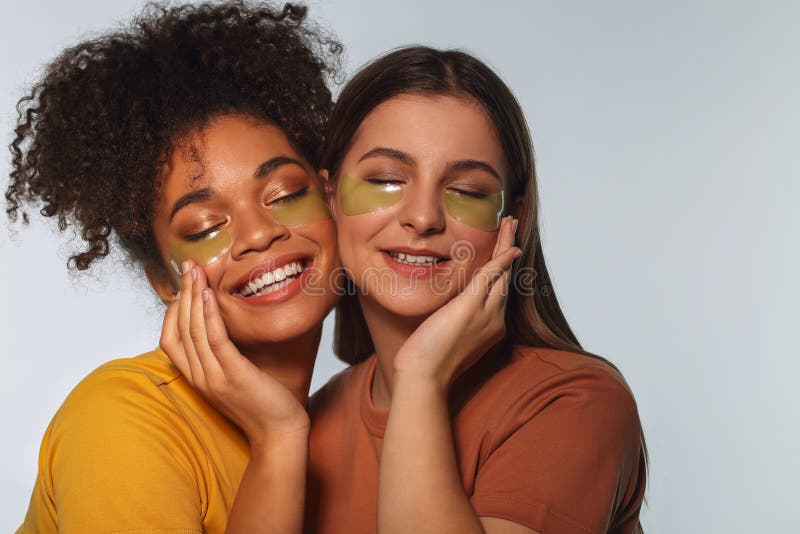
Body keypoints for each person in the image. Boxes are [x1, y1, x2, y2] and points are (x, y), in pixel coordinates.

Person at [174, 46, 648, 533]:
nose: (423, 217)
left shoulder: (574, 403)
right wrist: (279, 436)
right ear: (330, 195)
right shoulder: (313, 424)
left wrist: (421, 378)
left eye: (466, 190)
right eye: (385, 180)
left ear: (514, 217)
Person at [6, 2, 342, 532]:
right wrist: (278, 440)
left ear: (331, 199)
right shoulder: (122, 420)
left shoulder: (347, 429)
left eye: (284, 194)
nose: (258, 234)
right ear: (165, 281)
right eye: (206, 227)